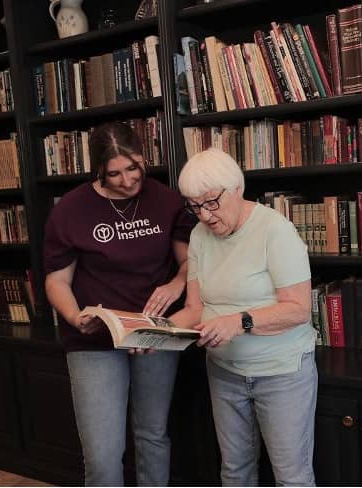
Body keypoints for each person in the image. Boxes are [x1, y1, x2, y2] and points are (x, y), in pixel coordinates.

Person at [43, 121, 195, 486]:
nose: (127, 180)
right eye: (114, 173)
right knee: (103, 453)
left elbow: (192, 261)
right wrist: (73, 315)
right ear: (99, 170)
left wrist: (177, 283)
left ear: (144, 157)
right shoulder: (72, 210)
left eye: (133, 168)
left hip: (153, 335)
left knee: (153, 436)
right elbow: (57, 280)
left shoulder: (165, 199)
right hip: (95, 340)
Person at [170, 147, 318, 486]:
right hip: (223, 372)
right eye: (194, 206)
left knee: (291, 477)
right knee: (234, 471)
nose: (204, 215)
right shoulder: (198, 236)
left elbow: (297, 309)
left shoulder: (275, 230)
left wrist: (238, 322)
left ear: (237, 188)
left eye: (211, 202)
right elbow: (194, 308)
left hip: (281, 373)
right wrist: (153, 333)